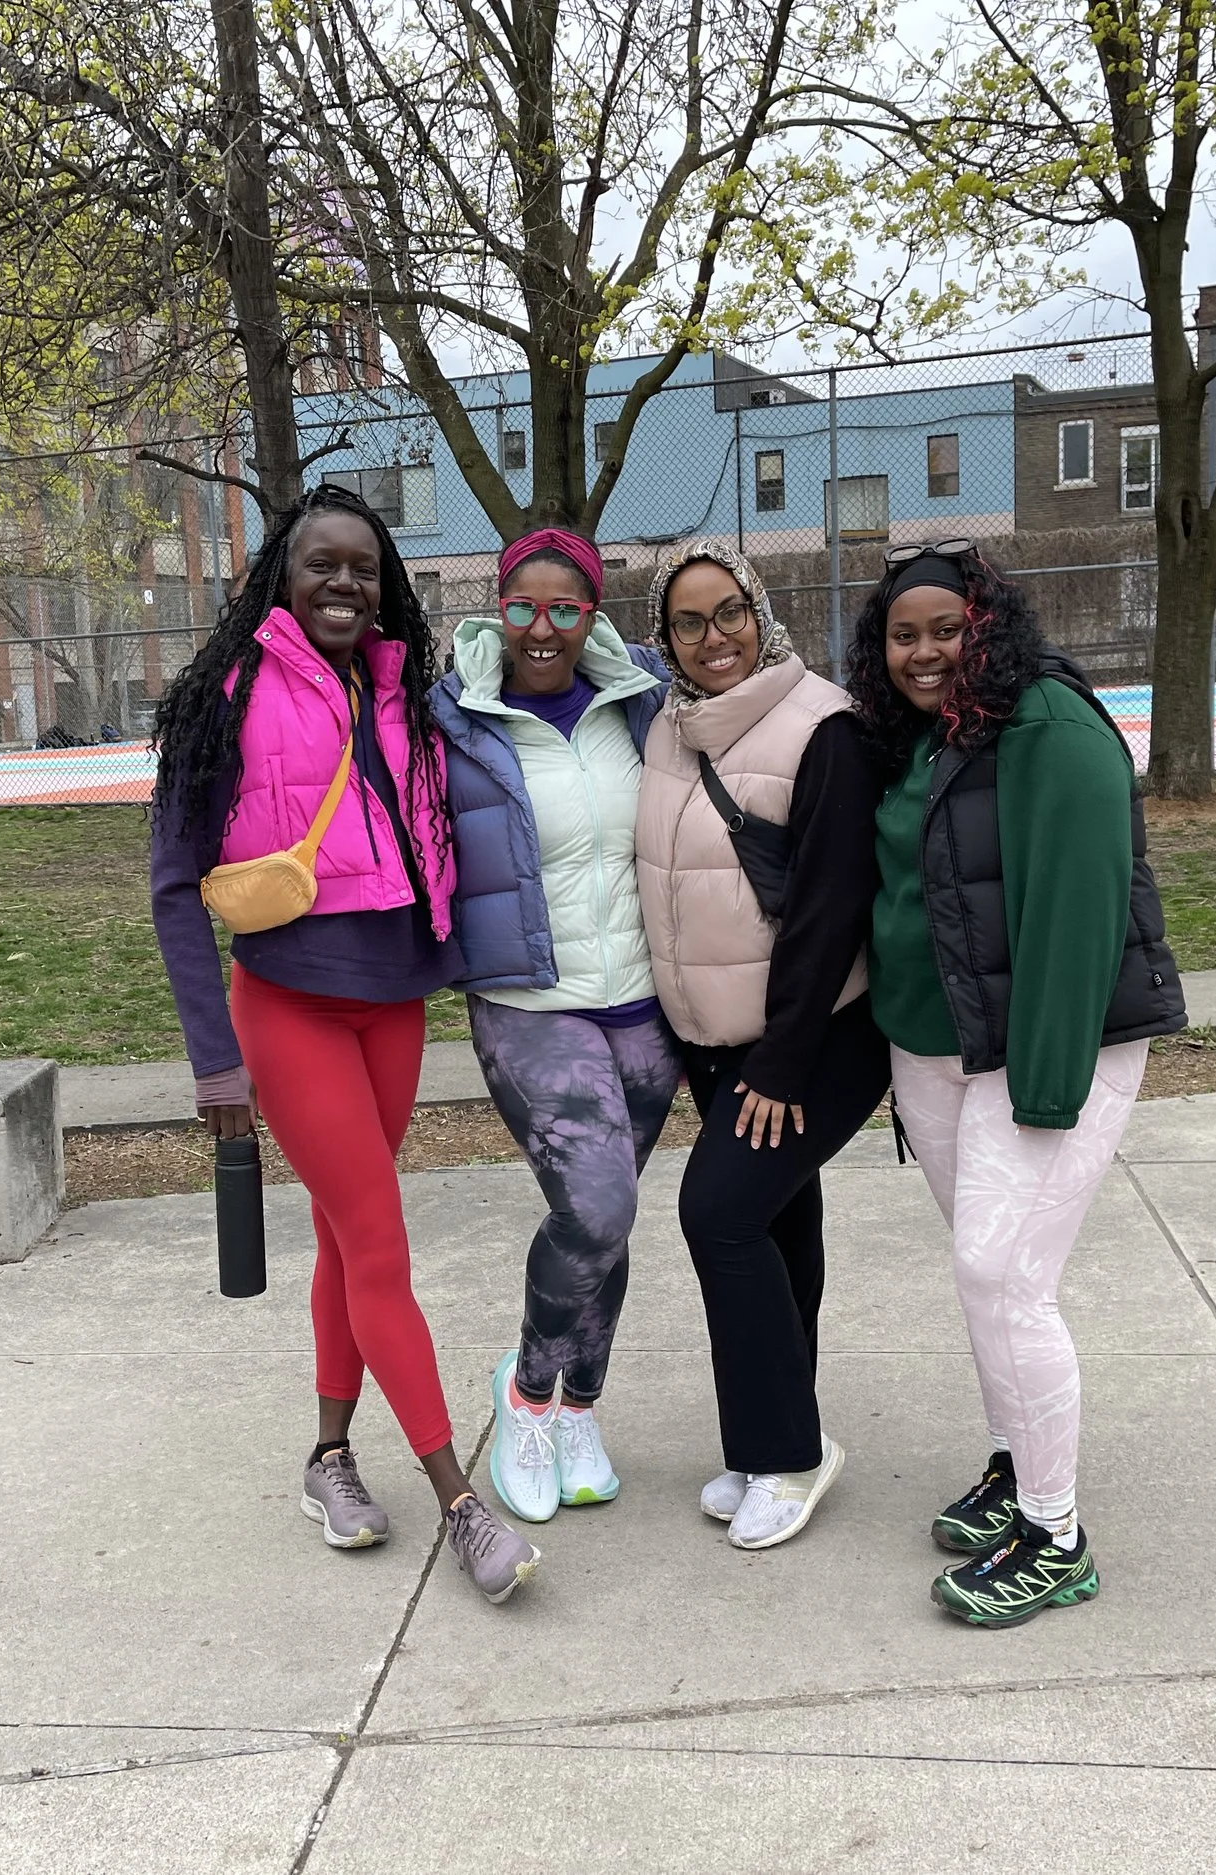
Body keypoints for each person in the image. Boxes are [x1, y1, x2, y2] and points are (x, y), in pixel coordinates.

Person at [148, 485, 540, 1605]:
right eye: (321, 564)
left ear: (387, 586)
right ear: (283, 573)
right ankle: (462, 1505)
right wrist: (213, 1059)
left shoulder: (408, 696)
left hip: (396, 1003)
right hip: (291, 1006)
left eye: (363, 568)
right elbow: (175, 892)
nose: (343, 584)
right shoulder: (224, 699)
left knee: (342, 1235)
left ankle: (327, 1461)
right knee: (379, 1245)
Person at [844, 540, 1187, 1627]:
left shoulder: (1048, 722)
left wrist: (1045, 1086)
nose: (926, 650)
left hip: (1046, 1046)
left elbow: (1083, 915)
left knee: (1003, 1274)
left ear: (990, 624)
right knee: (977, 1272)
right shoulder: (918, 737)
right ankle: (1011, 1463)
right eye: (904, 635)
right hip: (939, 1048)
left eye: (947, 628)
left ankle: (1055, 1535)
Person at [634, 539, 885, 1552]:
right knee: (778, 1224)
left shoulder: (820, 725)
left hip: (814, 1038)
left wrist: (780, 1061)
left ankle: (788, 1451)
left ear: (760, 608)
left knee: (719, 1217)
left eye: (729, 611)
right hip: (716, 1040)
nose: (714, 637)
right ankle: (768, 1434)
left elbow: (830, 910)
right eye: (688, 622)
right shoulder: (666, 727)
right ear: (666, 638)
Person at [431, 527, 676, 1525]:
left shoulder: (645, 701)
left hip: (645, 1002)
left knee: (605, 1230)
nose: (542, 628)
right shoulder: (451, 716)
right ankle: (529, 1393)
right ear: (499, 610)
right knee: (598, 1207)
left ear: (592, 616)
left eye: (564, 609)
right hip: (532, 999)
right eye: (522, 607)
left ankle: (582, 1407)